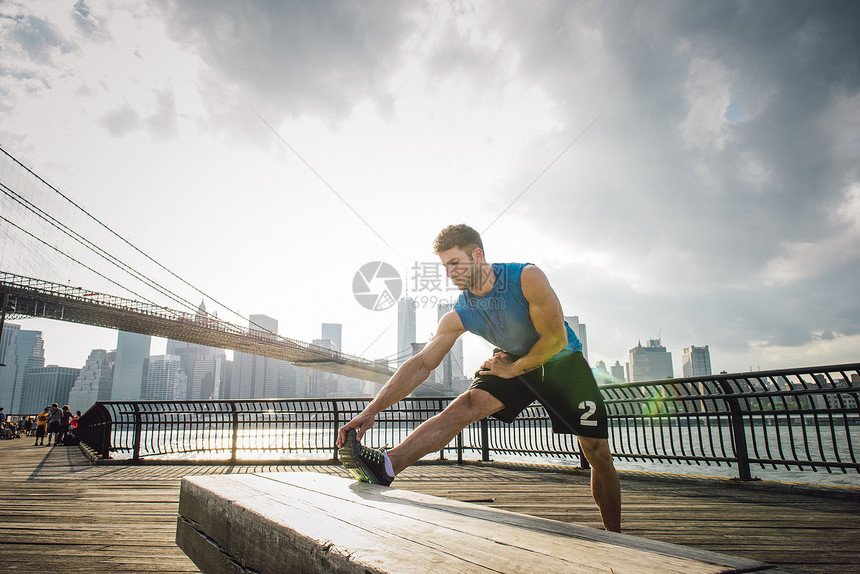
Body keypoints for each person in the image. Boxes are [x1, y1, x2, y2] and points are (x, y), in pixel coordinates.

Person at [337, 224, 622, 532]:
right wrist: (370, 411)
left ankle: (617, 540)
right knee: (467, 404)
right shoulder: (462, 312)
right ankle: (387, 466)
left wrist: (513, 369)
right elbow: (422, 364)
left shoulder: (526, 278)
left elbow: (553, 339)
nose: (450, 272)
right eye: (445, 266)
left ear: (477, 255)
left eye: (454, 263)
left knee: (597, 454)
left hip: (563, 363)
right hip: (511, 362)